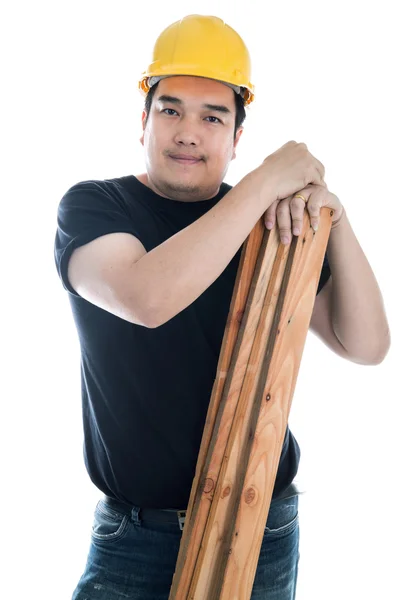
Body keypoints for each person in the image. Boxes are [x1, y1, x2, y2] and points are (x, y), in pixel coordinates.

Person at [54, 14, 390, 600]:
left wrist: (335, 218)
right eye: (171, 109)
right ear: (143, 121)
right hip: (136, 535)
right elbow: (146, 297)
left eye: (214, 117)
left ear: (236, 137)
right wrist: (263, 184)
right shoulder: (93, 208)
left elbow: (365, 345)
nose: (189, 132)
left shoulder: (265, 224)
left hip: (260, 527)